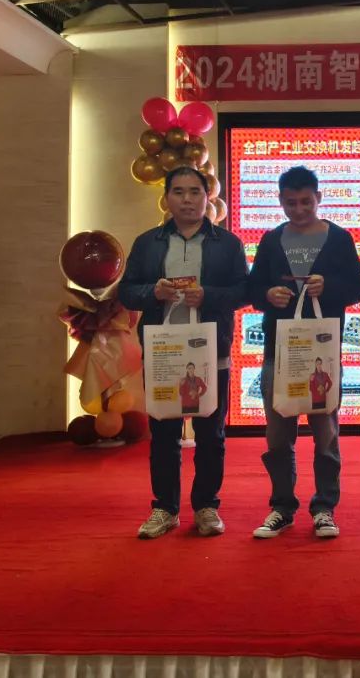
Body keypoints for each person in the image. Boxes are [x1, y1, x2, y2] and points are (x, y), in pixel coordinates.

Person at [118, 165, 248, 539]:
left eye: (195, 192)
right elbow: (126, 292)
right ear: (167, 198)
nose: (187, 200)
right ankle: (165, 508)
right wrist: (152, 293)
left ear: (207, 198)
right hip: (164, 352)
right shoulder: (148, 243)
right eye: (179, 192)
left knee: (211, 434)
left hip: (211, 351)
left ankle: (206, 506)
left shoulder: (228, 244)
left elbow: (244, 292)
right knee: (163, 434)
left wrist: (209, 296)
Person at [246, 165, 360, 539]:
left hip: (322, 353)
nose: (298, 209)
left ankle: (325, 507)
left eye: (305, 202)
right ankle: (282, 507)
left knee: (326, 434)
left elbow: (358, 288)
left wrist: (329, 286)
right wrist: (268, 295)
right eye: (291, 203)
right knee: (278, 435)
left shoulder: (339, 238)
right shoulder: (271, 240)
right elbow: (252, 290)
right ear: (280, 201)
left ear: (319, 199)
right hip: (278, 354)